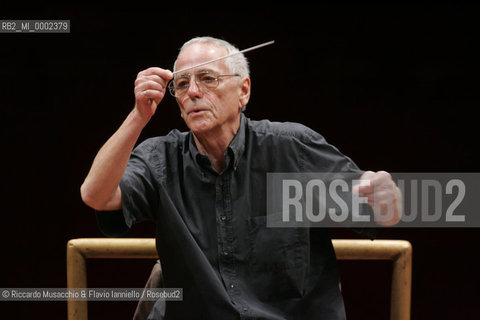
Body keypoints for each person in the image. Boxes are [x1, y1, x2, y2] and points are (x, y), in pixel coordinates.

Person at [80, 36, 402, 320]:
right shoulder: (159, 159)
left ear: (243, 91)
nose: (193, 92)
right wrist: (139, 115)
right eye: (181, 84)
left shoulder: (292, 149)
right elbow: (96, 195)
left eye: (207, 78)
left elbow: (382, 214)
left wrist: (388, 199)